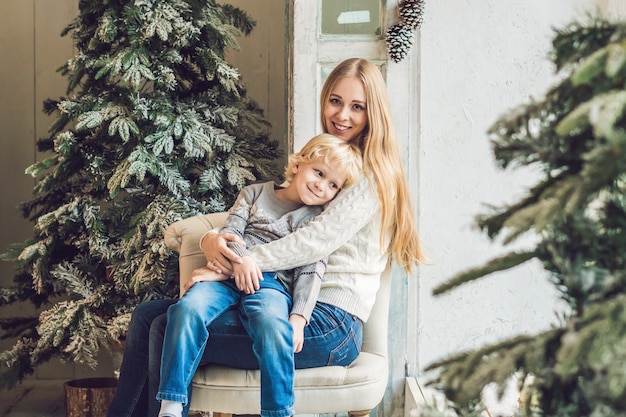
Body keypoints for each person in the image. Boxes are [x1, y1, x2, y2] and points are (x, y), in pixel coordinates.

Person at [106, 57, 426, 417]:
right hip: (292, 298)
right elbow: (271, 216)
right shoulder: (337, 158)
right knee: (148, 314)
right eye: (335, 101)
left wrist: (230, 266)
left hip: (326, 322)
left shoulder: (367, 175)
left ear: (374, 114)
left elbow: (310, 242)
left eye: (357, 107)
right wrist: (213, 238)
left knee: (164, 325)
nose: (343, 115)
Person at [156, 133, 362, 417]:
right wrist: (239, 262)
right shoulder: (254, 193)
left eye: (332, 185)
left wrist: (299, 318)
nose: (320, 185)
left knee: (274, 328)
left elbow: (311, 268)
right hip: (226, 275)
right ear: (298, 163)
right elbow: (231, 232)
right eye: (318, 172)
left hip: (272, 285)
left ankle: (278, 412)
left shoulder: (315, 220)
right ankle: (171, 406)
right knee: (186, 309)